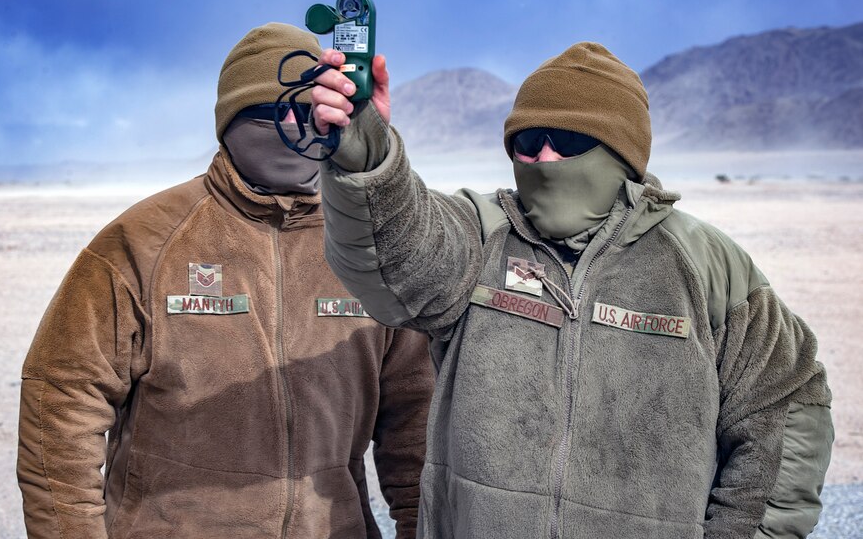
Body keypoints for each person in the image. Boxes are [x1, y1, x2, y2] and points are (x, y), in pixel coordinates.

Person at [309, 43, 834, 538]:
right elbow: (397, 260)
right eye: (527, 142)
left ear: (621, 152)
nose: (544, 158)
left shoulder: (705, 264)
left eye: (569, 141)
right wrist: (366, 154)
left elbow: (786, 406)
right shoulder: (483, 232)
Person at [17, 23, 434, 539]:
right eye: (266, 113)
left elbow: (416, 419)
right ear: (229, 122)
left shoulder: (369, 246)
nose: (289, 126)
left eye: (306, 113)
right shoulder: (145, 241)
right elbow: (61, 401)